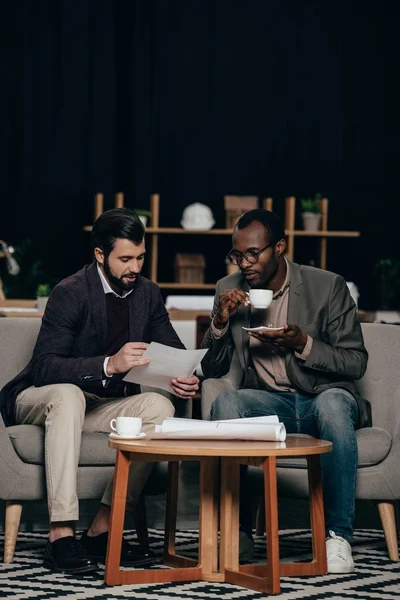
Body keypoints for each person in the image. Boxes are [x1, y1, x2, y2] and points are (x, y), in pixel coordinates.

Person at [0, 208, 199, 574]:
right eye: (125, 259)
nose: (134, 267)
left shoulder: (148, 294)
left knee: (159, 405)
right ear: (99, 255)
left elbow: (174, 352)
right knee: (68, 395)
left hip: (98, 406)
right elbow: (45, 366)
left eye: (140, 257)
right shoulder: (70, 292)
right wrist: (110, 364)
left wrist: (182, 375)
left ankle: (103, 529)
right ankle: (60, 534)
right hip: (41, 397)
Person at [201, 209, 369, 574]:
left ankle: (337, 537)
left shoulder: (327, 286)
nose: (244, 263)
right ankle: (238, 530)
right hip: (269, 400)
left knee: (334, 406)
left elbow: (356, 362)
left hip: (321, 396)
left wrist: (304, 343)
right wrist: (219, 322)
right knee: (226, 402)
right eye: (238, 254)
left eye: (253, 253)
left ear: (279, 247)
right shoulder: (227, 288)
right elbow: (211, 369)